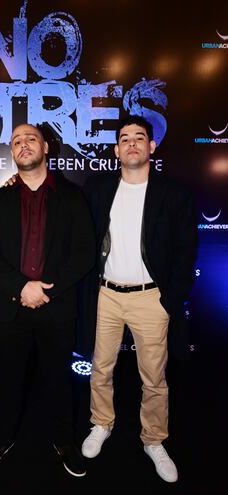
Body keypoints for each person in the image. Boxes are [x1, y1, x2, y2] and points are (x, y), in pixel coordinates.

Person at [79, 115, 198, 483]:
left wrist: (169, 298)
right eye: (125, 138)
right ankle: (101, 423)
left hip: (151, 299)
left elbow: (185, 250)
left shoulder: (173, 193)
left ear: (151, 146)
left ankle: (154, 440)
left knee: (154, 377)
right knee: (101, 369)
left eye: (139, 138)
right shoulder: (97, 189)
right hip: (106, 296)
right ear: (116, 149)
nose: (132, 143)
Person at [0, 123, 95, 477]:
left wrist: (46, 290)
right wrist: (21, 287)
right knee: (6, 379)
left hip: (56, 310)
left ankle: (63, 441)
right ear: (11, 152)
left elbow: (85, 253)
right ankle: (1, 439)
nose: (23, 145)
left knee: (58, 380)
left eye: (30, 139)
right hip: (11, 308)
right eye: (16, 141)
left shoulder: (72, 197)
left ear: (45, 147)